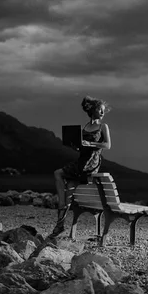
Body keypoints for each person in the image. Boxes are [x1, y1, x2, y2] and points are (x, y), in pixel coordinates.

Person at [51, 95, 112, 236]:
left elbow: (107, 145)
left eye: (103, 111)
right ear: (93, 110)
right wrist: (77, 146)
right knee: (65, 188)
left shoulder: (103, 126)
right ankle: (60, 223)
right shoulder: (85, 127)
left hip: (91, 163)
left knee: (58, 174)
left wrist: (90, 144)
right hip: (81, 160)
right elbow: (82, 147)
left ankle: (60, 214)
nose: (102, 113)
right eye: (100, 110)